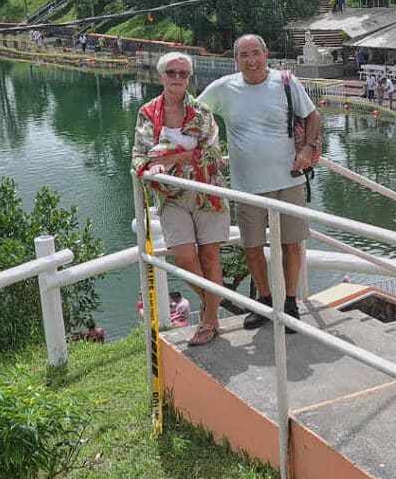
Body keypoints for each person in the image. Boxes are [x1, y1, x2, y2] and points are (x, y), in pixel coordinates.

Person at [198, 34, 322, 331]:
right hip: (247, 186)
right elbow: (193, 114)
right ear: (236, 60)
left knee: (291, 244)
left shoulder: (286, 82)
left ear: (266, 55)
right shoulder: (223, 88)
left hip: (289, 178)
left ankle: (290, 303)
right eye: (244, 55)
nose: (251, 60)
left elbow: (313, 116)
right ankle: (265, 302)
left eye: (256, 53)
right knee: (252, 248)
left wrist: (307, 149)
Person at [132, 51, 230, 346]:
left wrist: (171, 157)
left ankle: (208, 321)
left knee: (210, 257)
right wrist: (157, 162)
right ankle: (212, 308)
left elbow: (213, 152)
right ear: (161, 76)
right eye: (172, 73)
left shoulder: (201, 111)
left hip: (208, 191)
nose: (177, 78)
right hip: (170, 195)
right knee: (183, 256)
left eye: (183, 73)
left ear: (189, 77)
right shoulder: (148, 112)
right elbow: (140, 154)